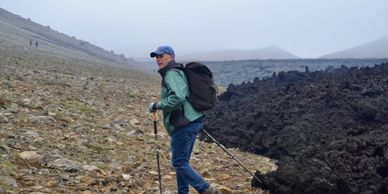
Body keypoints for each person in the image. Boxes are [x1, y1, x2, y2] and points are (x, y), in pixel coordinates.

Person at [148, 46, 218, 194]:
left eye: (161, 56)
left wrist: (157, 105)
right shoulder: (177, 71)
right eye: (156, 57)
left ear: (171, 57)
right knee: (182, 162)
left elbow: (178, 97)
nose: (158, 59)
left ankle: (206, 189)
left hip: (183, 123)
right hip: (192, 120)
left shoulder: (171, 73)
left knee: (179, 162)